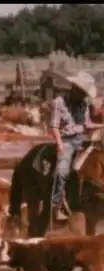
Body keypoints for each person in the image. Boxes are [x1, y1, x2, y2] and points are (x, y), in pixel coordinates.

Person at [48, 70, 103, 223]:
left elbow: (86, 124)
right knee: (62, 171)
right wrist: (59, 143)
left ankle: (87, 197)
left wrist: (102, 125)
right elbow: (54, 126)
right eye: (82, 92)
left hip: (81, 139)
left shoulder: (83, 103)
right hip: (66, 139)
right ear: (75, 88)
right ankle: (56, 205)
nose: (84, 96)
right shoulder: (58, 102)